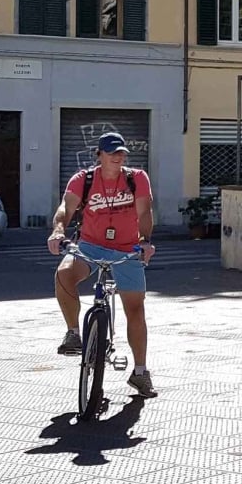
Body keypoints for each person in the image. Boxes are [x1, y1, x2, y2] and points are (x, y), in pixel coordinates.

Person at [47, 132, 159, 398]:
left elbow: (144, 212)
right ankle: (73, 332)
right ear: (99, 155)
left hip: (127, 249)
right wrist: (58, 231)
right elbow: (66, 208)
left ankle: (141, 372)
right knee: (63, 274)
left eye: (121, 153)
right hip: (90, 245)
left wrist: (145, 241)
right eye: (112, 153)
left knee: (135, 309)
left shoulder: (137, 178)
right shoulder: (83, 179)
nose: (118, 157)